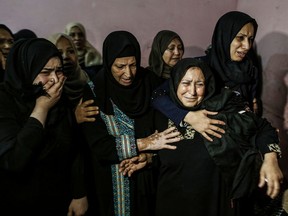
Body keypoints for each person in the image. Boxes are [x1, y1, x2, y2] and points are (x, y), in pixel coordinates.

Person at [120, 58, 283, 216]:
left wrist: (270, 160)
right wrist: (148, 159)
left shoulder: (220, 113)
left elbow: (263, 128)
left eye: (199, 84)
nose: (192, 91)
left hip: (213, 204)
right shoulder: (160, 116)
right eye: (185, 83)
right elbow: (173, 157)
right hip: (171, 204)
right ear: (175, 83)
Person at [79, 30, 180, 216]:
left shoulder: (152, 83)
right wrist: (143, 143)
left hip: (151, 179)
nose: (128, 73)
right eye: (120, 66)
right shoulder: (94, 92)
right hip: (111, 185)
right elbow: (99, 146)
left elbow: (168, 133)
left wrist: (150, 157)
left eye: (133, 65)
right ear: (109, 62)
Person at [0, 38, 88, 216]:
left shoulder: (56, 98)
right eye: (46, 72)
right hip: (17, 201)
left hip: (59, 199)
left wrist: (80, 194)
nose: (55, 79)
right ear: (27, 70)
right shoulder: (5, 100)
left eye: (58, 71)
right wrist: (41, 109)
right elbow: (14, 160)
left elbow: (74, 148)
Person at [151, 11, 261, 142]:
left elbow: (250, 110)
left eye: (250, 39)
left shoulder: (250, 71)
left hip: (236, 142)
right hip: (203, 143)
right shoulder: (200, 66)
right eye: (240, 38)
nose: (247, 46)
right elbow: (157, 95)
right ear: (224, 36)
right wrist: (188, 116)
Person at [48, 33, 99, 123]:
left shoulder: (90, 78)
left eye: (71, 51)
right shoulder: (49, 90)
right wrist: (73, 118)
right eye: (59, 53)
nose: (66, 57)